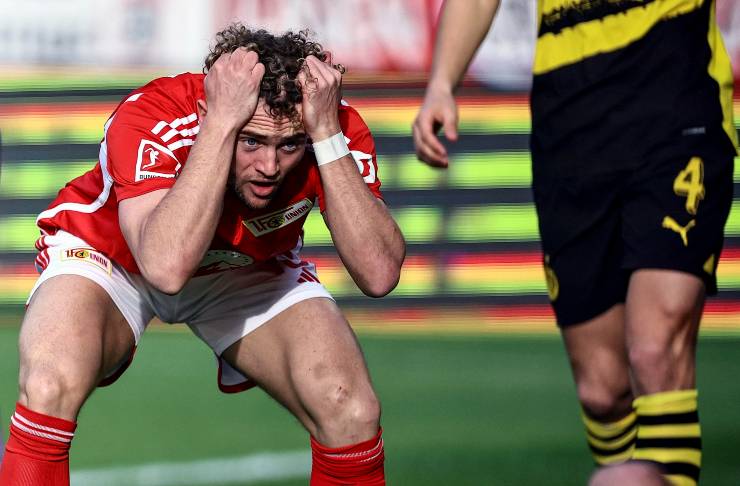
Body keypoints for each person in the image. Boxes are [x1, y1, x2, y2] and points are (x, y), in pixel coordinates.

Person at [0, 25, 405, 486]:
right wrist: (220, 126)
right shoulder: (154, 114)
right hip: (115, 259)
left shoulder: (329, 123)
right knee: (49, 383)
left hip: (243, 268)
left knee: (349, 408)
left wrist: (327, 135)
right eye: (251, 141)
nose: (269, 167)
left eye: (289, 145)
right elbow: (164, 267)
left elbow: (379, 274)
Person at [413, 1, 736, 485]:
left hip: (675, 102)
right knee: (602, 393)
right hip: (569, 126)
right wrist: (442, 83)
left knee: (654, 350)